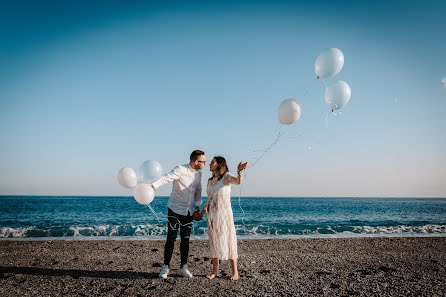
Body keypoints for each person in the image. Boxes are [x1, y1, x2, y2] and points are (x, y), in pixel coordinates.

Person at [150, 150, 206, 279]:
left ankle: (183, 267)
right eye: (203, 161)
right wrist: (154, 185)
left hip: (188, 212)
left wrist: (197, 208)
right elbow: (167, 177)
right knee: (171, 239)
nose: (205, 163)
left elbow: (198, 191)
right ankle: (165, 267)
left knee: (185, 240)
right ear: (196, 162)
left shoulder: (199, 174)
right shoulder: (180, 169)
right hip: (174, 209)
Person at [199, 156, 247, 281]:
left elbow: (238, 181)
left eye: (212, 162)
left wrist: (239, 172)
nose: (210, 163)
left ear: (219, 164)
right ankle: (215, 271)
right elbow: (209, 198)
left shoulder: (226, 177)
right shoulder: (210, 180)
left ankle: (235, 272)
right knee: (214, 242)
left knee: (229, 240)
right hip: (212, 215)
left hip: (224, 215)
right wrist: (202, 211)